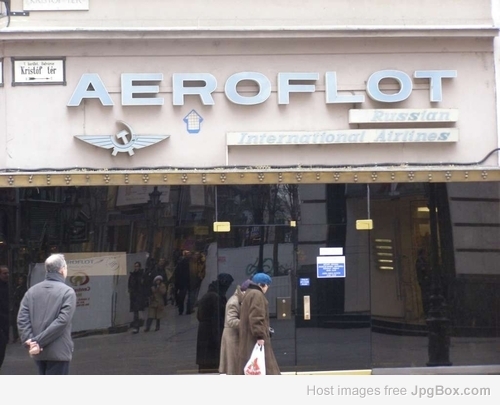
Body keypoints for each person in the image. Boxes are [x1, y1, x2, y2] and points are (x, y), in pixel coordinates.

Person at [16, 254, 77, 375]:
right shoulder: (67, 292)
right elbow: (62, 321)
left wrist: (30, 342)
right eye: (66, 268)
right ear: (62, 270)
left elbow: (22, 319)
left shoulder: (31, 291)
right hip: (58, 351)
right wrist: (38, 342)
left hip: (38, 353)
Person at [238, 273, 281, 375]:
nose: (267, 288)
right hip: (254, 339)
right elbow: (256, 317)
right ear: (262, 285)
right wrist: (260, 336)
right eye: (267, 285)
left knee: (251, 366)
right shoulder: (257, 295)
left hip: (248, 337)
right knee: (264, 367)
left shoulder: (248, 293)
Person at [196, 272, 234, 373]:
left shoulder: (211, 295)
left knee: (207, 362)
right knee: (210, 363)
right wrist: (218, 337)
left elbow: (199, 315)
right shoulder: (215, 297)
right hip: (210, 334)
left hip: (207, 333)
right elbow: (216, 319)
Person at [219, 279, 251, 375]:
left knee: (236, 365)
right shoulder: (234, 301)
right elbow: (231, 320)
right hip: (232, 337)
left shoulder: (239, 299)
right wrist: (247, 323)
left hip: (235, 336)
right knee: (233, 366)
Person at [128, 261, 146, 334]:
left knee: (137, 311)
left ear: (139, 267)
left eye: (137, 266)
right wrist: (130, 291)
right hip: (134, 295)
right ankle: (136, 326)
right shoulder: (132, 275)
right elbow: (129, 284)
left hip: (139, 295)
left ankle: (137, 326)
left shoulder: (142, 275)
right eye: (135, 266)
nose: (136, 267)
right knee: (135, 311)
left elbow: (144, 284)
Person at [12, 274, 28, 343]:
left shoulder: (23, 289)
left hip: (19, 306)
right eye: (19, 279)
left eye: (21, 279)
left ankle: (19, 336)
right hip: (16, 306)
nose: (19, 281)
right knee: (15, 322)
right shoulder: (16, 288)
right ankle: (16, 336)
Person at [174, 250, 191, 315]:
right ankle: (183, 309)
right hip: (184, 282)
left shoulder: (181, 262)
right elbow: (178, 272)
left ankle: (182, 309)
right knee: (183, 296)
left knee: (183, 296)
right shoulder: (184, 263)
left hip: (183, 282)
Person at [0, 265, 9, 372]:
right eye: (4, 273)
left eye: (7, 273)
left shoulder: (7, 287)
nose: (7, 275)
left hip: (4, 324)